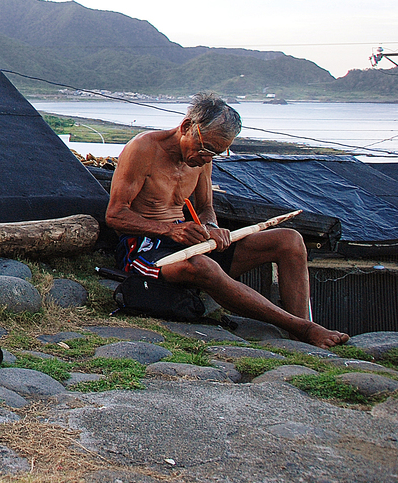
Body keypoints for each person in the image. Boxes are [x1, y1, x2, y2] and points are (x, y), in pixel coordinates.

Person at [105, 92, 348, 348]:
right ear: (187, 127)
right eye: (206, 148)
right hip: (146, 247)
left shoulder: (202, 157)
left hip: (187, 240)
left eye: (216, 153)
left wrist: (211, 227)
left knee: (290, 240)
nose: (208, 158)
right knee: (202, 266)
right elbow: (115, 214)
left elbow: (206, 208)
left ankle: (301, 339)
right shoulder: (143, 148)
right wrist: (169, 231)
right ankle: (304, 328)